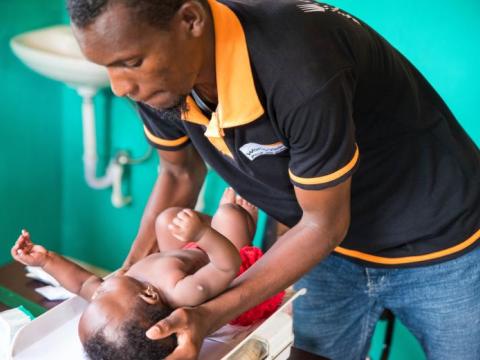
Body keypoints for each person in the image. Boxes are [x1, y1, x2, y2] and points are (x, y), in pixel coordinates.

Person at [66, 0, 480, 359]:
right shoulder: (161, 76)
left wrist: (208, 315)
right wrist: (132, 272)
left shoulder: (299, 67)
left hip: (443, 245)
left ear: (190, 20)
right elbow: (179, 172)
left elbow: (324, 224)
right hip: (324, 248)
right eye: (108, 67)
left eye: (131, 63)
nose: (119, 87)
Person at [11, 190, 281, 359]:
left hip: (187, 256)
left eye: (95, 298)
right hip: (222, 261)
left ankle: (205, 227)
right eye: (102, 293)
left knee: (166, 220)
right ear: (150, 295)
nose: (97, 289)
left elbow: (81, 282)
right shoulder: (181, 290)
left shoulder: (121, 296)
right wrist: (203, 235)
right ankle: (245, 219)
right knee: (229, 215)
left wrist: (46, 260)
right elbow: (227, 266)